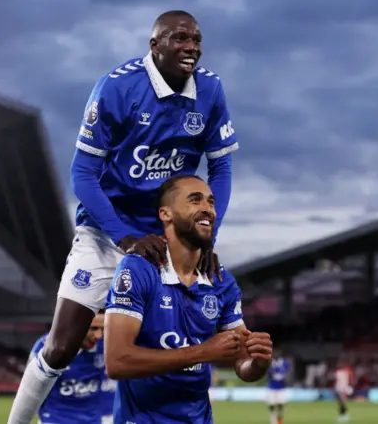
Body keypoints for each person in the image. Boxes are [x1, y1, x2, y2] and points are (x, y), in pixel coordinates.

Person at [7, 9, 238, 424]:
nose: (191, 48)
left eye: (197, 40)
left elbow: (220, 168)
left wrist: (207, 238)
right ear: (155, 45)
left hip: (166, 239)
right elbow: (82, 174)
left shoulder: (210, 90)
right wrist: (123, 236)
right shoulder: (117, 88)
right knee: (60, 346)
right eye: (180, 38)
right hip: (105, 231)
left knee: (178, 343)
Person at [104, 175, 271, 423]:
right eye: (195, 200)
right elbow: (117, 362)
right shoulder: (139, 270)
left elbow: (243, 365)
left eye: (211, 202)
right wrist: (203, 352)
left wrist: (258, 363)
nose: (208, 209)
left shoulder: (221, 282)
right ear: (165, 214)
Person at [31, 310, 106, 424]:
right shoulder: (47, 346)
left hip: (93, 421)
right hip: (54, 420)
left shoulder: (105, 344)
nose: (99, 335)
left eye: (103, 329)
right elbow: (32, 388)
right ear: (77, 325)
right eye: (93, 328)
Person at [267, 351, 290, 424]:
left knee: (281, 405)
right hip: (272, 388)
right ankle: (273, 421)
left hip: (281, 388)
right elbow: (268, 374)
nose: (276, 355)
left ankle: (279, 422)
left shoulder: (284, 363)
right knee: (272, 405)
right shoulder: (270, 363)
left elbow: (287, 372)